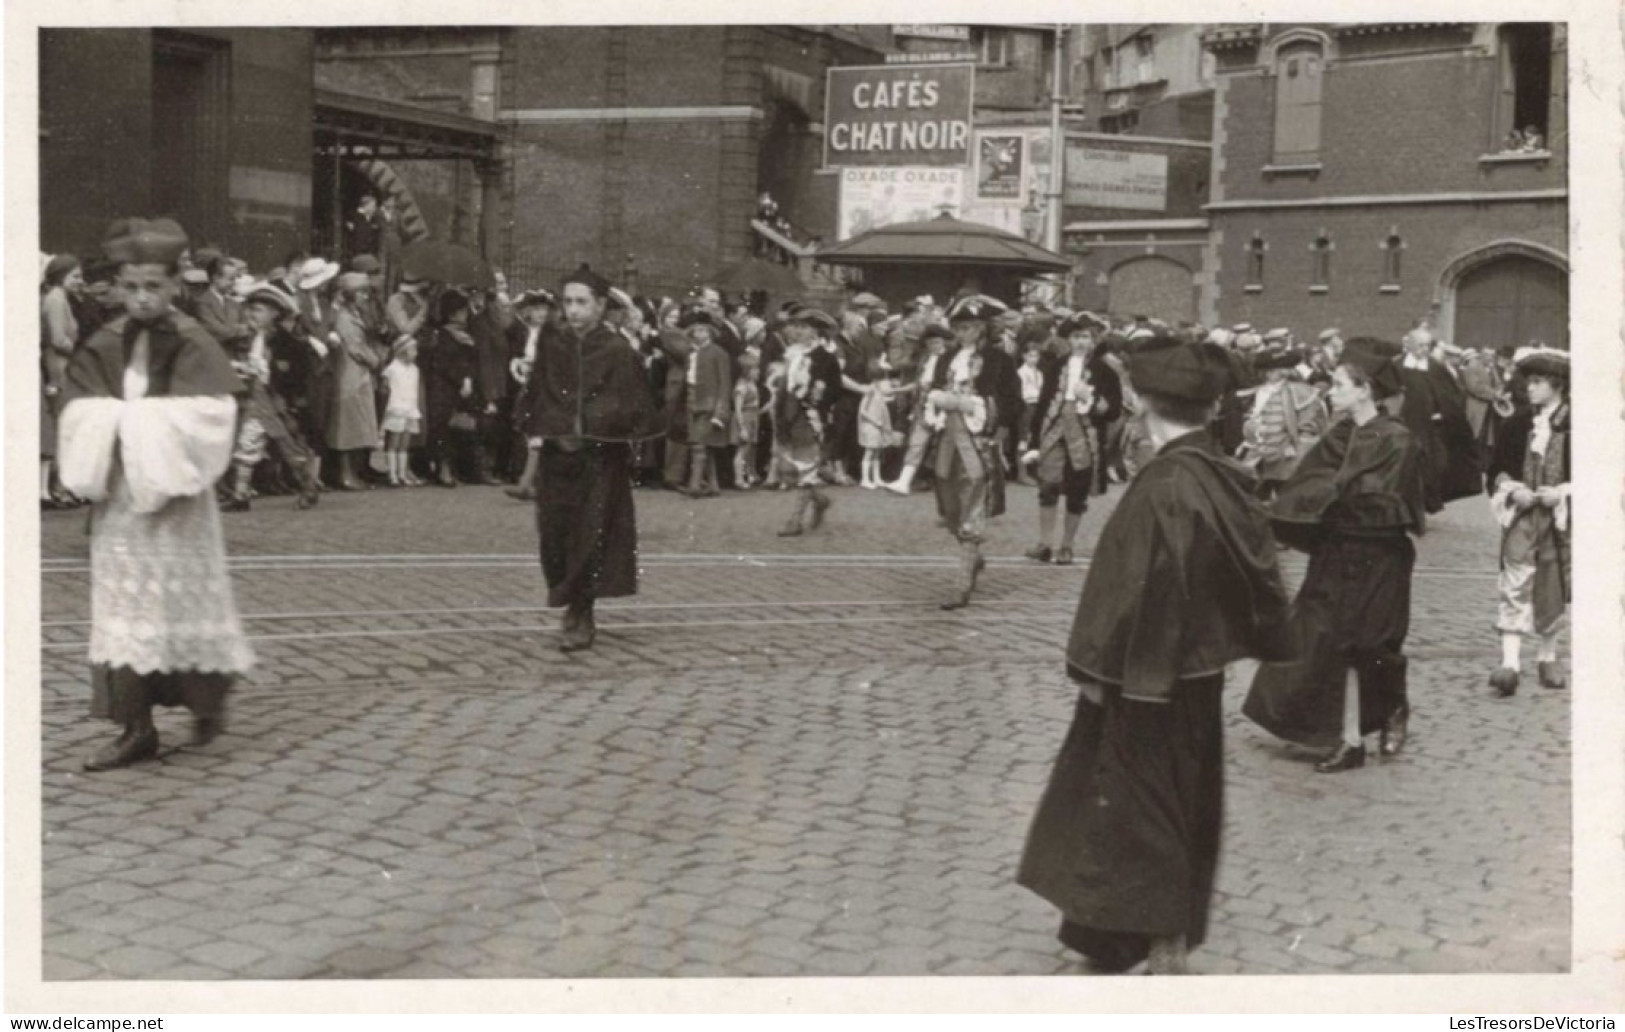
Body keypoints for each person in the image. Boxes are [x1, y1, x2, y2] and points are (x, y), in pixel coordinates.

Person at [1018, 334, 1292, 975]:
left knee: (1141, 804)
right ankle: (1112, 932)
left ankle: (1162, 940)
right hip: (1190, 670)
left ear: (1143, 406)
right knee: (1164, 796)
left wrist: (1102, 673)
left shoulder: (1165, 485)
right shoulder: (1216, 472)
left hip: (1148, 674)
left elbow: (1135, 591)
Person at [55, 217, 254, 771]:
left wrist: (131, 421)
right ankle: (134, 727)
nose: (141, 298)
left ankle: (206, 701)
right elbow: (75, 410)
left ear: (173, 287)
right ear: (118, 286)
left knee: (185, 601)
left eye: (153, 286)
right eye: (131, 286)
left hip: (178, 500)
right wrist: (120, 423)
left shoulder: (192, 339)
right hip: (122, 499)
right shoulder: (104, 341)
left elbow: (214, 413)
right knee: (126, 609)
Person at [1242, 338, 1428, 773]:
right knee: (1330, 642)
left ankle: (1394, 703)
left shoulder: (1398, 440)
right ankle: (1349, 742)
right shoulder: (1339, 435)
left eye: (1341, 384)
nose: (1332, 392)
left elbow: (1386, 501)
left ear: (1365, 389)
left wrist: (1333, 497)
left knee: (1371, 645)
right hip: (1335, 553)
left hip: (1378, 556)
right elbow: (1309, 482)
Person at [523, 265, 665, 651]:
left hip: (599, 458)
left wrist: (605, 428)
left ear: (601, 305)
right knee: (555, 535)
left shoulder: (617, 349)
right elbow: (540, 393)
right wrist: (545, 430)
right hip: (557, 455)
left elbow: (634, 400)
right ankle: (569, 598)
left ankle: (581, 612)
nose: (573, 310)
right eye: (567, 302)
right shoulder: (554, 344)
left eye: (582, 302)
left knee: (591, 535)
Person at [1485, 346, 1570, 695]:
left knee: (1552, 584)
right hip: (1521, 518)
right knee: (1514, 580)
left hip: (1558, 522)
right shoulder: (1517, 423)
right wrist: (1512, 488)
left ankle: (1547, 657)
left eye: (1538, 382)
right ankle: (1510, 663)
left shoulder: (1579, 425)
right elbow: (1495, 471)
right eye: (1530, 382)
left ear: (1557, 385)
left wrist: (1563, 493)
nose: (1530, 389)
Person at [1022, 315, 1121, 565]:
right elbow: (1044, 402)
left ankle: (1067, 546)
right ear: (1068, 339)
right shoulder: (1055, 366)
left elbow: (1115, 410)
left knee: (1077, 492)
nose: (1080, 342)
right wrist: (1034, 440)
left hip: (1084, 436)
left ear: (1093, 340)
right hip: (1052, 431)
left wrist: (1096, 404)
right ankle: (1045, 544)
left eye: (1085, 337)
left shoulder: (1105, 370)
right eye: (1076, 337)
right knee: (1047, 487)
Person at [221, 283, 321, 511]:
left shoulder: (288, 343)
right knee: (247, 444)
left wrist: (286, 390)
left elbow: (296, 374)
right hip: (257, 402)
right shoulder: (249, 339)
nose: (250, 314)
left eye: (257, 310)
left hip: (280, 404)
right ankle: (240, 495)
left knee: (291, 448)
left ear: (274, 313)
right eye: (250, 309)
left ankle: (308, 488)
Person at [925, 348, 1002, 610]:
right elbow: (931, 397)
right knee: (951, 512)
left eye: (970, 326)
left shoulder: (995, 359)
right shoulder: (946, 358)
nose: (964, 332)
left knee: (972, 513)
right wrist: (940, 400)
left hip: (976, 449)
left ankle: (962, 585)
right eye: (959, 327)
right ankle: (973, 559)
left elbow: (1006, 401)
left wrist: (975, 408)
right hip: (946, 448)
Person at [774, 307, 842, 537]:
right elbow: (784, 388)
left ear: (815, 331)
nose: (798, 332)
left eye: (804, 327)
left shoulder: (826, 357)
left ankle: (795, 520)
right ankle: (820, 500)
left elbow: (834, 390)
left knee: (805, 467)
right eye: (797, 327)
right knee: (791, 469)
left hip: (810, 417)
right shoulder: (792, 354)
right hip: (789, 415)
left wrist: (816, 401)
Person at [1236, 347, 1328, 499]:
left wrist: (1298, 455)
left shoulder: (1300, 392)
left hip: (1288, 460)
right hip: (1258, 459)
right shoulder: (1256, 392)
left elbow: (1309, 430)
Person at [423, 289, 481, 488]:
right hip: (445, 386)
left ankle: (455, 468)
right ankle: (442, 467)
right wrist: (462, 378)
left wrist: (469, 378)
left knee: (457, 428)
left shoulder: (466, 334)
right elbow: (444, 362)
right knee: (442, 428)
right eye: (462, 311)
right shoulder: (442, 334)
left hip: (461, 386)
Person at [504, 288, 557, 500]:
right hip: (530, 385)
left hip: (547, 386)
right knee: (533, 434)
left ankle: (530, 483)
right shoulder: (522, 331)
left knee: (543, 435)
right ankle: (528, 482)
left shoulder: (553, 334)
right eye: (536, 309)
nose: (541, 313)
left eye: (544, 309)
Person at [41, 254, 84, 509]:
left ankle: (63, 486)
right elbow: (58, 339)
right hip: (59, 367)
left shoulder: (60, 299)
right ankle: (59, 487)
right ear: (61, 276)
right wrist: (76, 349)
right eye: (75, 276)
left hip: (61, 365)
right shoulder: (56, 300)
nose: (80, 281)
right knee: (64, 427)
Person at [381, 336, 424, 487]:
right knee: (394, 442)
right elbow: (385, 389)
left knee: (405, 444)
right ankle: (392, 474)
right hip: (396, 408)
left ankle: (402, 473)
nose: (416, 353)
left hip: (410, 409)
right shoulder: (392, 369)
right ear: (403, 351)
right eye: (413, 350)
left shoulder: (415, 369)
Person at [731, 350, 763, 489]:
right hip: (745, 417)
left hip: (753, 417)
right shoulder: (742, 386)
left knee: (750, 448)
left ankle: (750, 474)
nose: (757, 372)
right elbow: (738, 408)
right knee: (742, 450)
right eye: (754, 369)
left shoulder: (752, 384)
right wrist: (742, 427)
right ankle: (738, 478)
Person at [345, 192, 383, 261]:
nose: (374, 208)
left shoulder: (373, 218)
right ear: (366, 205)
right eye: (373, 206)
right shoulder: (353, 216)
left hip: (369, 253)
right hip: (357, 253)